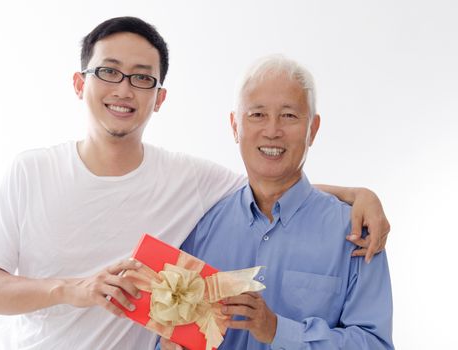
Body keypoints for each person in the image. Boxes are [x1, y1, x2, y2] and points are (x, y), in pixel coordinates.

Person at [0, 17, 390, 350]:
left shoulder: (192, 186)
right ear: (80, 83)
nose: (124, 89)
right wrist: (73, 289)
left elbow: (271, 181)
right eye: (109, 72)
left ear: (159, 97)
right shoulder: (30, 171)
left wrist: (360, 195)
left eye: (142, 77)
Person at [160, 55, 393, 350]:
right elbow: (167, 326)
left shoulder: (356, 232)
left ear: (313, 129)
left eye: (289, 116)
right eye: (257, 115)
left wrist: (278, 330)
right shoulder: (198, 222)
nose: (272, 130)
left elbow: (374, 344)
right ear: (235, 126)